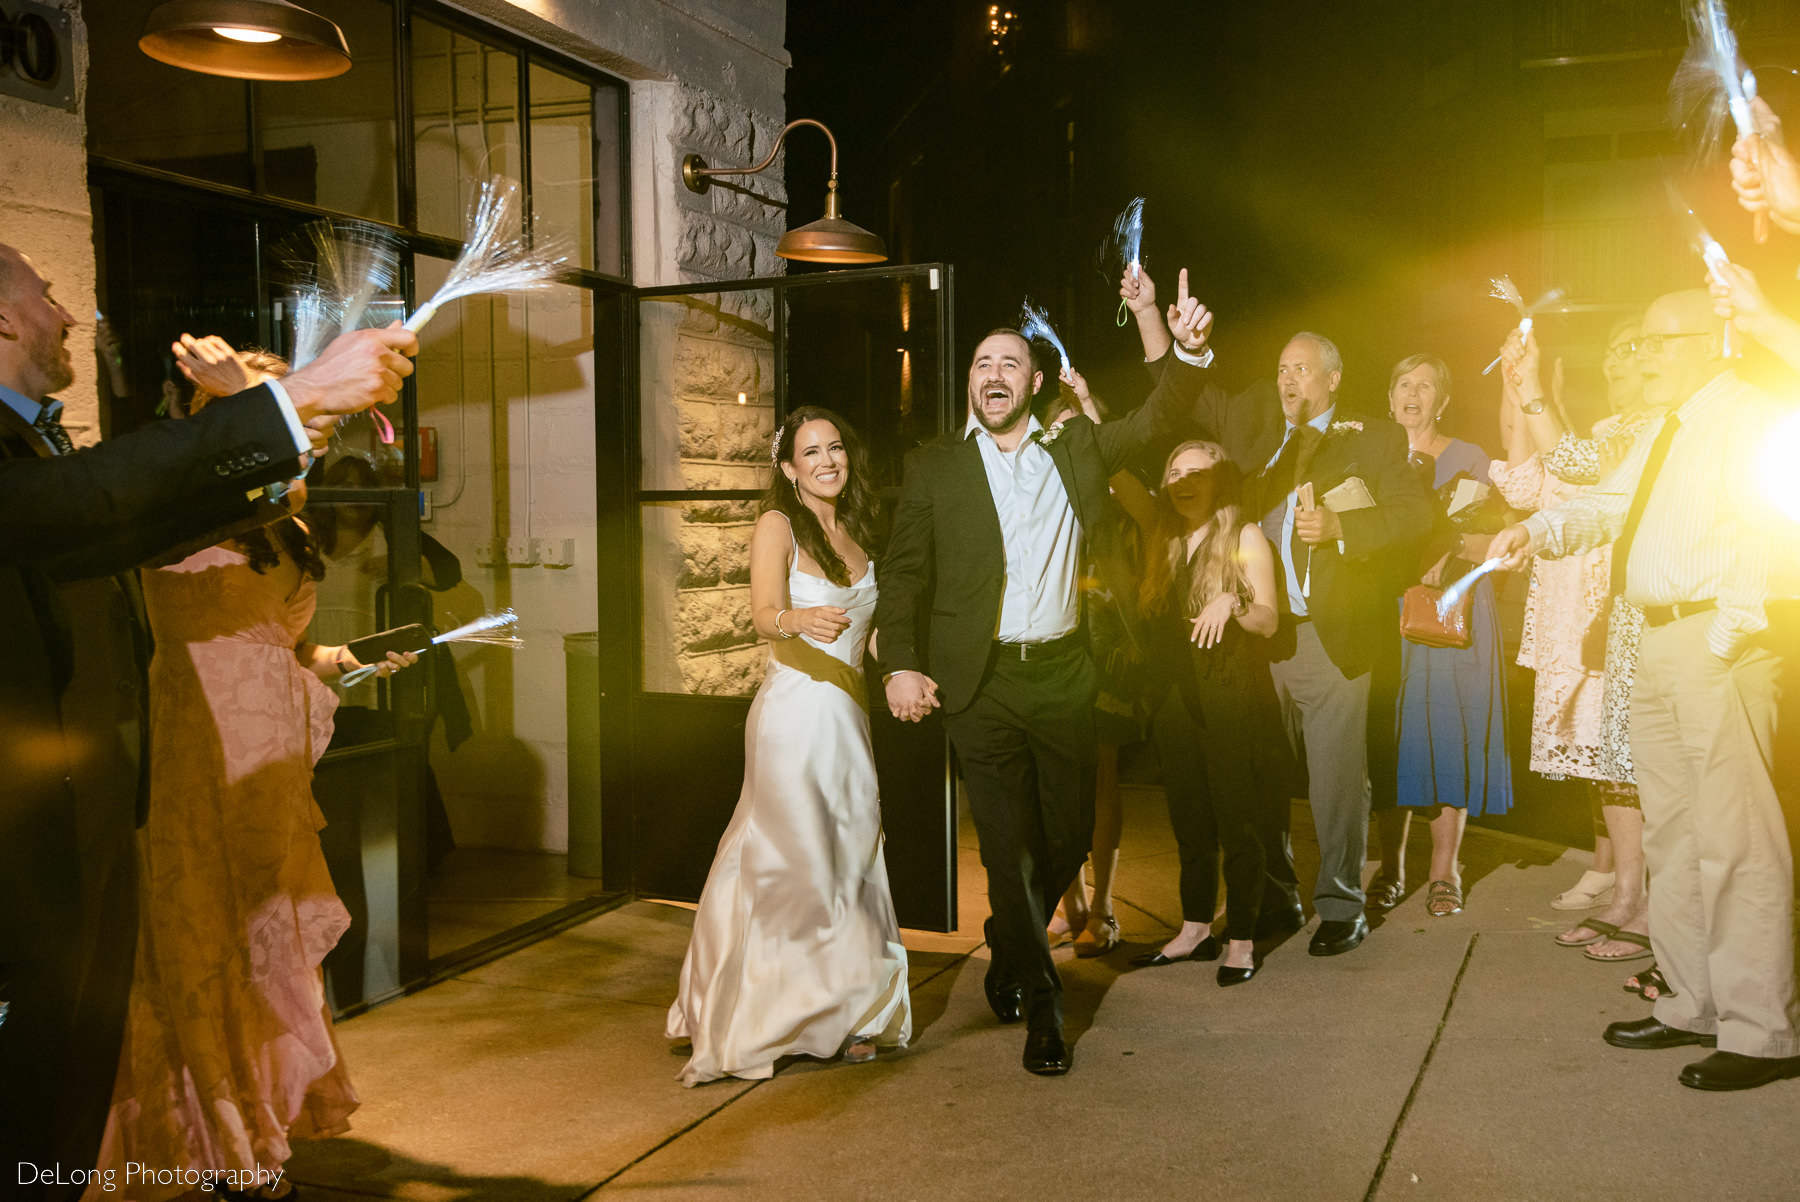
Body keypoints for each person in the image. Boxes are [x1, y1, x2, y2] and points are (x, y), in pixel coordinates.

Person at [0, 241, 415, 1199]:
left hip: (101, 813)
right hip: (43, 836)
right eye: (48, 291)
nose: (72, 311)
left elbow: (135, 515)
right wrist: (282, 402)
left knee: (64, 1079)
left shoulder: (40, 440)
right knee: (36, 1084)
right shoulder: (27, 466)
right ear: (4, 318)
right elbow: (93, 502)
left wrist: (285, 421)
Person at [877, 271, 1212, 1076]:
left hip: (1064, 672)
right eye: (982, 364)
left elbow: (1161, 417)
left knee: (1064, 833)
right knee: (1005, 848)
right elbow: (904, 577)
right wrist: (901, 662)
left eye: (1009, 364)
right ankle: (1046, 1006)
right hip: (980, 685)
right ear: (972, 382)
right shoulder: (935, 470)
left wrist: (1186, 351)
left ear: (1034, 382)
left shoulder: (1076, 448)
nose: (994, 374)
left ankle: (1007, 939)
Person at [1491, 288, 1800, 1091]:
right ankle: (1691, 1002)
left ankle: (1761, 1030)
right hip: (1658, 640)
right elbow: (1605, 505)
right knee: (1673, 836)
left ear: (1711, 341)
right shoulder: (1667, 427)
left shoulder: (1754, 416)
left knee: (1736, 841)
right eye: (1637, 347)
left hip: (1717, 644)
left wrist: (1730, 628)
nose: (1639, 358)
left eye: (1656, 344)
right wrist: (1536, 531)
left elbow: (1784, 525)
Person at [1171, 319, 1434, 956]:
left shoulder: (1372, 436)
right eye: (1282, 369)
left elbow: (1416, 514)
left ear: (1333, 380)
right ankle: (1276, 894)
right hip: (1258, 635)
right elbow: (1196, 417)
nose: (1288, 379)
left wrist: (1344, 524)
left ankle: (1341, 904)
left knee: (1335, 778)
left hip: (1328, 634)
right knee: (1258, 775)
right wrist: (1188, 346)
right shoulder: (1259, 440)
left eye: (1302, 369)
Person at [668, 406, 911, 1086]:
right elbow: (761, 614)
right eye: (812, 452)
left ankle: (850, 1011)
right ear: (788, 468)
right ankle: (767, 1016)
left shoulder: (858, 529)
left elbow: (872, 635)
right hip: (793, 717)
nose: (829, 460)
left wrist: (908, 670)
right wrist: (795, 618)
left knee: (849, 856)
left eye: (836, 447)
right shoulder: (778, 525)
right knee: (791, 860)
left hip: (847, 718)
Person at [1491, 326, 1661, 965]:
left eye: (1635, 350)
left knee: (1639, 770)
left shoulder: (1668, 425)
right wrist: (1526, 387)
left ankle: (1651, 906)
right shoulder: (1613, 429)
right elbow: (1563, 471)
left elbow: (1588, 483)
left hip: (1640, 612)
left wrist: (1534, 390)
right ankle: (1626, 896)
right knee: (1615, 770)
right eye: (1613, 350)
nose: (1620, 361)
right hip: (1601, 621)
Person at [1123, 440, 1288, 983]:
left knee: (1237, 819)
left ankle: (1240, 938)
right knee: (1190, 821)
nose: (1184, 479)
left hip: (1229, 694)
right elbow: (1117, 476)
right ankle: (1195, 929)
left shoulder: (1245, 535)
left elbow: (1270, 621)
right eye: (1174, 470)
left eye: (1197, 470)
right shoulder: (1164, 536)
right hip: (1176, 699)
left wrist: (1233, 602)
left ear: (1220, 480)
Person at [1375, 356, 1510, 917]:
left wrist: (1448, 547)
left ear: (1442, 400)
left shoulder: (1469, 460)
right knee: (1390, 738)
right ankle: (1389, 867)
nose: (1413, 394)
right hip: (1384, 613)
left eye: (1425, 385)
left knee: (1449, 736)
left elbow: (1493, 547)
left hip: (1450, 616)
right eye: (1403, 384)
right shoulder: (1371, 455)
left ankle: (1444, 871)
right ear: (1388, 398)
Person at [1039, 371, 1140, 958]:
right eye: (1060, 426)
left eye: (1083, 426)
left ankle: (1101, 909)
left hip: (1105, 646)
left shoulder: (1120, 490)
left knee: (1101, 778)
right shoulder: (1037, 490)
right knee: (1055, 780)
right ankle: (1067, 902)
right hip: (1051, 646)